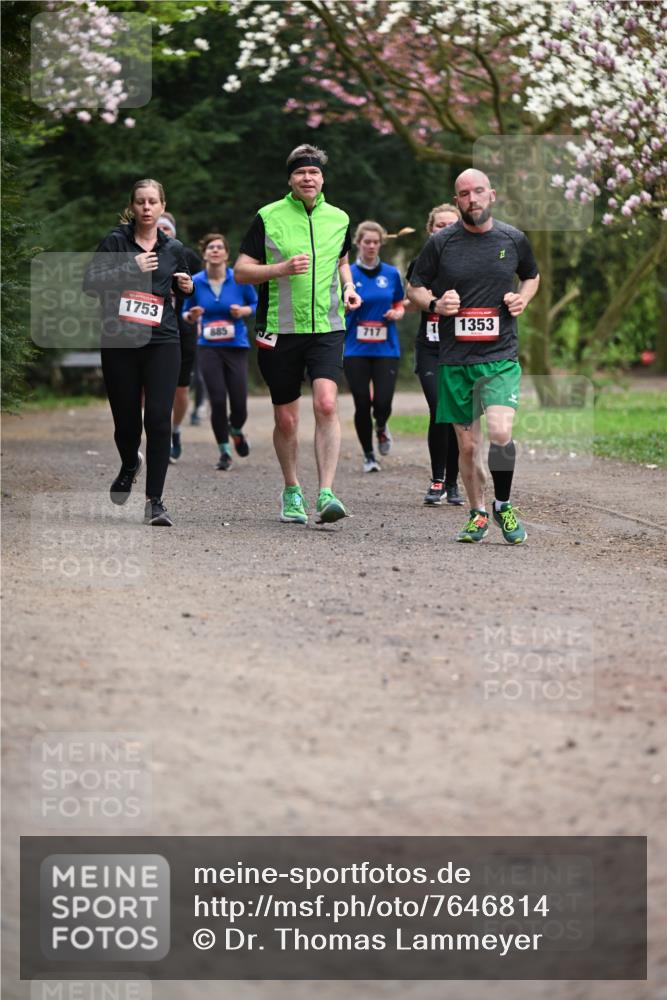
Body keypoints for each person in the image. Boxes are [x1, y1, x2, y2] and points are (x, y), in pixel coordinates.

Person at [407, 169, 540, 544]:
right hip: (455, 359)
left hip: (499, 356)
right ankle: (477, 512)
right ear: (456, 201)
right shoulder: (441, 243)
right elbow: (414, 286)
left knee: (500, 432)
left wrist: (522, 299)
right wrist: (435, 302)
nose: (472, 199)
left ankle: (504, 504)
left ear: (492, 194)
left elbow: (532, 275)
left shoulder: (513, 238)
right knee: (467, 446)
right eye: (464, 194)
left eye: (478, 191)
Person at [234, 143, 361, 525]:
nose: (309, 178)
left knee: (326, 403)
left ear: (323, 179)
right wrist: (281, 269)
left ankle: (326, 493)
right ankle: (291, 489)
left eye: (315, 173)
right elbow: (242, 270)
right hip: (279, 328)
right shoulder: (268, 217)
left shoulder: (339, 218)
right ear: (290, 178)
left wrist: (350, 286)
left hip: (327, 326)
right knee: (287, 419)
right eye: (301, 173)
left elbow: (341, 259)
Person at [83, 178, 193, 527]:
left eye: (152, 202)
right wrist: (130, 267)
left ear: (162, 207)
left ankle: (155, 501)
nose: (146, 208)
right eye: (140, 202)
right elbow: (90, 284)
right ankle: (130, 461)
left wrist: (186, 287)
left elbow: (181, 284)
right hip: (120, 340)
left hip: (162, 339)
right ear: (132, 207)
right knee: (126, 423)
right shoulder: (116, 241)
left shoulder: (174, 247)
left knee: (158, 420)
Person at [182, 233, 257, 470]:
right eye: (210, 247)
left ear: (226, 254)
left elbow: (255, 305)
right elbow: (184, 312)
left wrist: (243, 312)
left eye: (219, 247)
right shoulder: (195, 281)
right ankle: (224, 451)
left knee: (239, 402)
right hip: (208, 348)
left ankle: (236, 429)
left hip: (236, 346)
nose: (215, 251)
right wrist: (191, 316)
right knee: (216, 399)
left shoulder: (240, 279)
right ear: (204, 253)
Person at [404, 204, 463, 505]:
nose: (444, 229)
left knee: (456, 415)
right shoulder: (421, 262)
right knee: (440, 408)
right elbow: (411, 299)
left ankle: (453, 483)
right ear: (431, 230)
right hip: (430, 348)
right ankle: (438, 479)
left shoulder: (471, 260)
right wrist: (427, 302)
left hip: (462, 349)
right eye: (439, 225)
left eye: (450, 224)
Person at [343, 221, 404, 473]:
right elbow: (332, 305)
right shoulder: (347, 274)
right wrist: (345, 307)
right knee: (360, 402)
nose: (371, 246)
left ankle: (381, 426)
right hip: (355, 347)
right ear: (358, 243)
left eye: (375, 242)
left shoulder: (391, 274)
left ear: (381, 244)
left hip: (385, 348)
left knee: (383, 402)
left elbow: (400, 302)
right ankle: (369, 455)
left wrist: (397, 312)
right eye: (366, 241)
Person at [155, 211, 202, 464]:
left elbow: (200, 287)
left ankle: (175, 431)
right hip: (151, 329)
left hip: (183, 329)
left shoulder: (186, 255)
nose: (163, 233)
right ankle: (156, 436)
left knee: (181, 389)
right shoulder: (142, 255)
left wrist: (195, 303)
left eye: (167, 229)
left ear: (174, 233)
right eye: (159, 228)